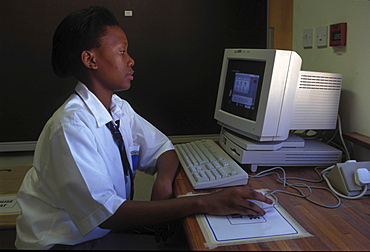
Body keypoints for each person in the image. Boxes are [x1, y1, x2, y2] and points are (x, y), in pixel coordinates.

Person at [15, 6, 273, 250]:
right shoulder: (71, 127)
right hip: (65, 243)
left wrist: (162, 182)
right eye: (121, 51)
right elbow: (108, 214)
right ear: (90, 59)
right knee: (187, 241)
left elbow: (164, 148)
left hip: (100, 231)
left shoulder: (117, 108)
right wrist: (203, 202)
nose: (130, 61)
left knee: (181, 235)